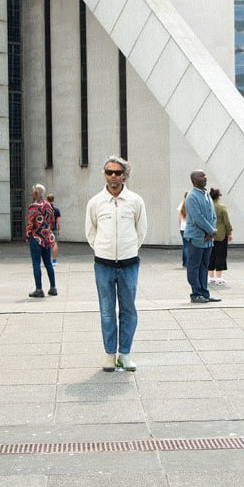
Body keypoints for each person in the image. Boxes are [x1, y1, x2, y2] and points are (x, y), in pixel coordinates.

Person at [85, 155, 147, 372]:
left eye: (117, 172)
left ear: (124, 175)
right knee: (107, 310)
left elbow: (141, 231)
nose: (113, 176)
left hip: (129, 264)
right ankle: (110, 355)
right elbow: (90, 231)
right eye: (109, 172)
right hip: (103, 264)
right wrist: (103, 248)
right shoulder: (95, 202)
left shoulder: (135, 201)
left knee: (129, 309)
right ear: (104, 174)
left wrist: (129, 248)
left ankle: (125, 354)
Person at [184, 169, 220, 303]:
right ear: (194, 180)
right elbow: (197, 217)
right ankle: (196, 294)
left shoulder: (206, 194)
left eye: (205, 175)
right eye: (202, 176)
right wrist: (210, 230)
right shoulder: (192, 196)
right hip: (197, 238)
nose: (205, 178)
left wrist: (211, 231)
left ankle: (205, 293)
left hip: (208, 238)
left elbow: (213, 215)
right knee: (194, 266)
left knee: (204, 265)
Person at [25, 183, 56, 298]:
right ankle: (53, 287)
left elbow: (30, 224)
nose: (31, 193)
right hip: (46, 238)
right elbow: (52, 222)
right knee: (48, 263)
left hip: (36, 238)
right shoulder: (48, 205)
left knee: (36, 263)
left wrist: (28, 235)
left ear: (36, 193)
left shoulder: (33, 206)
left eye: (32, 191)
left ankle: (39, 289)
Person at [208, 188, 233, 285]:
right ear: (218, 196)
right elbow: (227, 221)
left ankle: (210, 277)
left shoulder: (208, 207)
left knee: (211, 255)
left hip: (210, 234)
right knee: (221, 255)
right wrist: (230, 232)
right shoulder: (222, 207)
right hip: (221, 234)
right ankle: (218, 277)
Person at [47, 193, 61, 266]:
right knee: (54, 244)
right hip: (54, 228)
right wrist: (59, 229)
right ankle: (54, 260)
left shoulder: (45, 209)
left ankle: (47, 260)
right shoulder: (56, 210)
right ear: (53, 200)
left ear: (47, 199)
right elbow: (58, 220)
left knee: (46, 245)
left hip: (46, 229)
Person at [176, 191, 188, 267]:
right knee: (190, 246)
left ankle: (184, 262)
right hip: (189, 228)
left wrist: (180, 226)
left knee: (185, 245)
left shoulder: (181, 205)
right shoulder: (191, 205)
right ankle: (188, 262)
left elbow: (179, 218)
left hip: (183, 228)